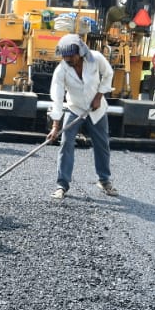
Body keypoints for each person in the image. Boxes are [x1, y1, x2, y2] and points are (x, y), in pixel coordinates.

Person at [47, 34, 117, 199]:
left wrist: (99, 96)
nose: (68, 59)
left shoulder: (96, 59)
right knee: (66, 143)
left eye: (71, 55)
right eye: (64, 56)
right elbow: (57, 97)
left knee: (102, 144)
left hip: (97, 110)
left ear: (81, 52)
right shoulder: (61, 70)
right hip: (75, 109)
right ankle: (62, 185)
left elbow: (108, 74)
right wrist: (56, 126)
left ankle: (104, 180)